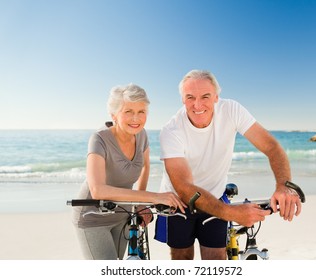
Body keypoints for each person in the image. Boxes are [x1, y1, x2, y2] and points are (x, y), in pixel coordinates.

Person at [155, 70, 302, 260]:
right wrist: (231, 213)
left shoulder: (232, 110)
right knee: (182, 259)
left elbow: (271, 146)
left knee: (216, 261)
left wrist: (284, 185)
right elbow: (184, 188)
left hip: (214, 197)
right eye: (190, 97)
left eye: (205, 96)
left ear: (216, 97)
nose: (197, 105)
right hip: (179, 203)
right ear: (183, 100)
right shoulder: (171, 130)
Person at [72, 83, 185, 260]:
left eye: (141, 112)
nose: (136, 118)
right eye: (128, 112)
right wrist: (154, 197)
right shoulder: (99, 139)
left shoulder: (141, 135)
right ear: (114, 115)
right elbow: (97, 190)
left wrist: (139, 203)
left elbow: (145, 166)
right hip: (93, 217)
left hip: (122, 214)